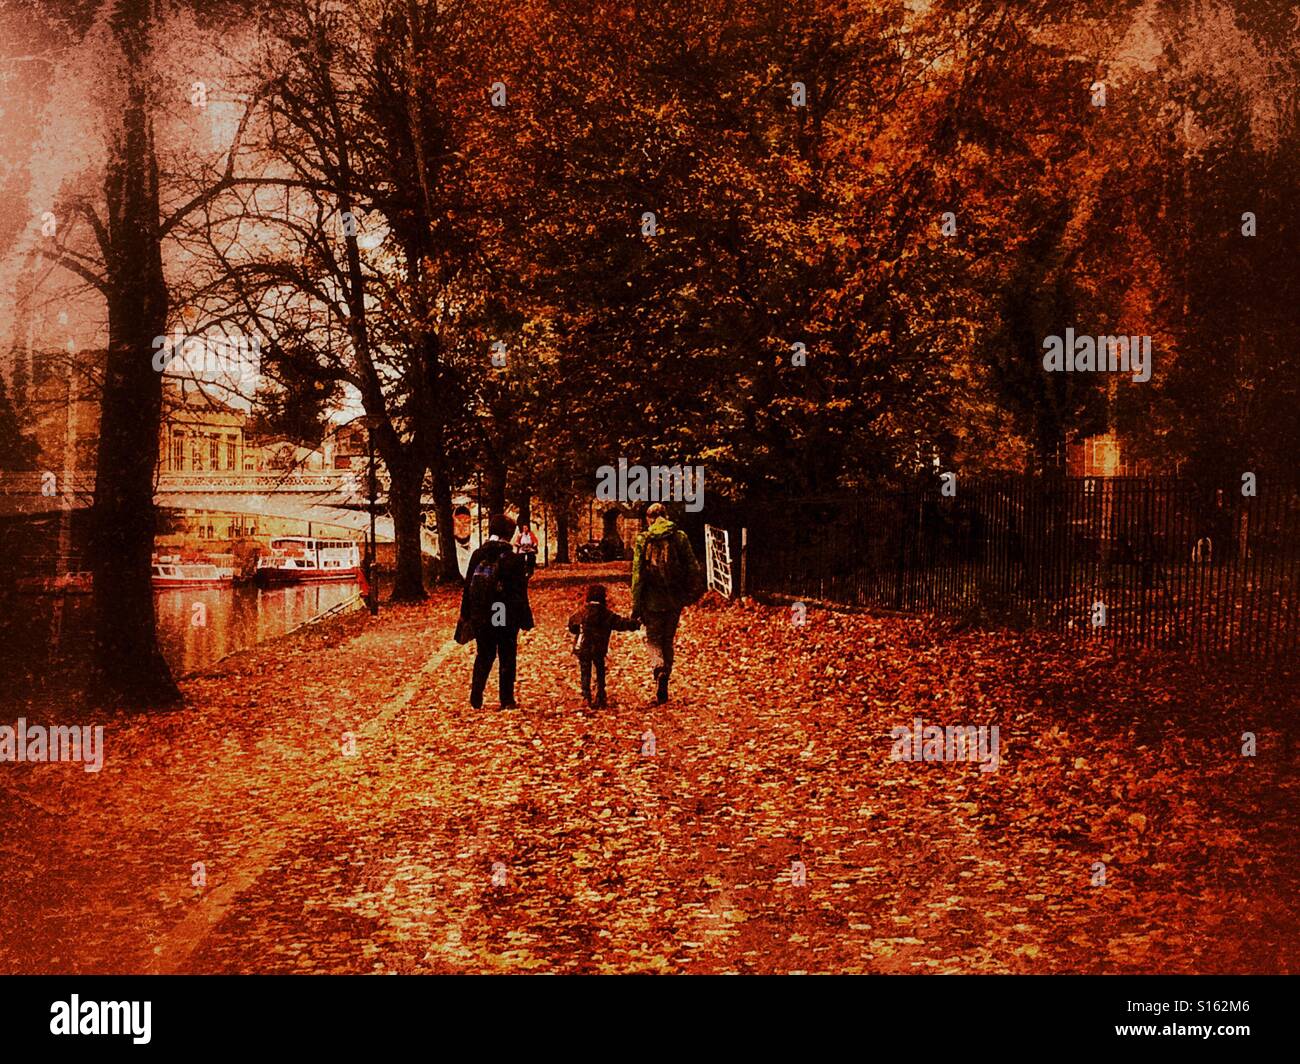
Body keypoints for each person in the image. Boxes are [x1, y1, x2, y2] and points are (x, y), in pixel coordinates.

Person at [630, 502, 704, 704]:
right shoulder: (679, 537)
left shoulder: (643, 539)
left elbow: (638, 575)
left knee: (653, 640)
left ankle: (658, 667)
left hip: (651, 600)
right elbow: (693, 567)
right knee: (667, 640)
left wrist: (636, 605)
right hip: (674, 599)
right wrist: (690, 593)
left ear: (649, 519)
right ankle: (666, 679)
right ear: (666, 515)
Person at [459, 513, 534, 709]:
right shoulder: (514, 560)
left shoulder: (477, 555)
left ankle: (476, 695)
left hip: (481, 613)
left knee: (484, 654)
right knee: (507, 654)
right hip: (502, 613)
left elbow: (467, 586)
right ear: (508, 534)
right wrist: (525, 618)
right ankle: (506, 699)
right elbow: (519, 593)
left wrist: (465, 614)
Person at [567, 584, 639, 708]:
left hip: (582, 646)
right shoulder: (606, 614)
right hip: (599, 647)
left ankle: (586, 695)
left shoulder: (581, 612)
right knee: (600, 669)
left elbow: (572, 625)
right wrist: (635, 624)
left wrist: (578, 631)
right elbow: (621, 623)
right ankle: (600, 694)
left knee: (585, 670)